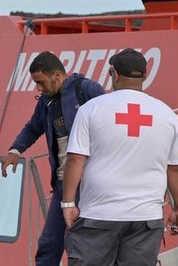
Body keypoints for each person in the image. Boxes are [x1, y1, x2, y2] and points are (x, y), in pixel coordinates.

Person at [62, 48, 178, 266]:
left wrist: (68, 203)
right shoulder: (168, 115)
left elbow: (75, 160)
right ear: (144, 77)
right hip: (146, 219)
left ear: (114, 74)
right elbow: (175, 169)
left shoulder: (91, 109)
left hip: (97, 216)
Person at [1, 51, 104, 266]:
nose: (39, 88)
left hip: (91, 185)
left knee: (83, 246)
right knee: (49, 243)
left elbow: (110, 124)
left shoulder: (86, 90)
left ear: (57, 75)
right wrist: (14, 150)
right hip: (62, 184)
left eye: (41, 82)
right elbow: (32, 128)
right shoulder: (46, 102)